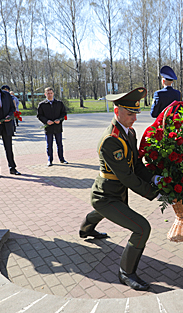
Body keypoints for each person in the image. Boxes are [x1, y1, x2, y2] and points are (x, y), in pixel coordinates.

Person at [79, 87, 161, 291]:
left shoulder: (129, 132)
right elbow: (128, 177)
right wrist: (154, 193)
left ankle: (85, 229)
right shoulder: (111, 140)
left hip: (115, 193)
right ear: (117, 112)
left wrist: (155, 178)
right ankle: (126, 273)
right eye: (129, 113)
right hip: (106, 196)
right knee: (142, 228)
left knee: (103, 213)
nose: (134, 118)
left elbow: (137, 165)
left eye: (135, 113)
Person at [37, 87, 68, 167]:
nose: (49, 95)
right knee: (49, 145)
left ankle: (62, 159)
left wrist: (60, 120)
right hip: (48, 128)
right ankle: (50, 160)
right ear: (45, 94)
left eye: (51, 93)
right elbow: (39, 115)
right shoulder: (42, 104)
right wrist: (46, 121)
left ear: (53, 93)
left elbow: (64, 113)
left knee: (59, 144)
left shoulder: (59, 103)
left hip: (58, 127)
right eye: (48, 93)